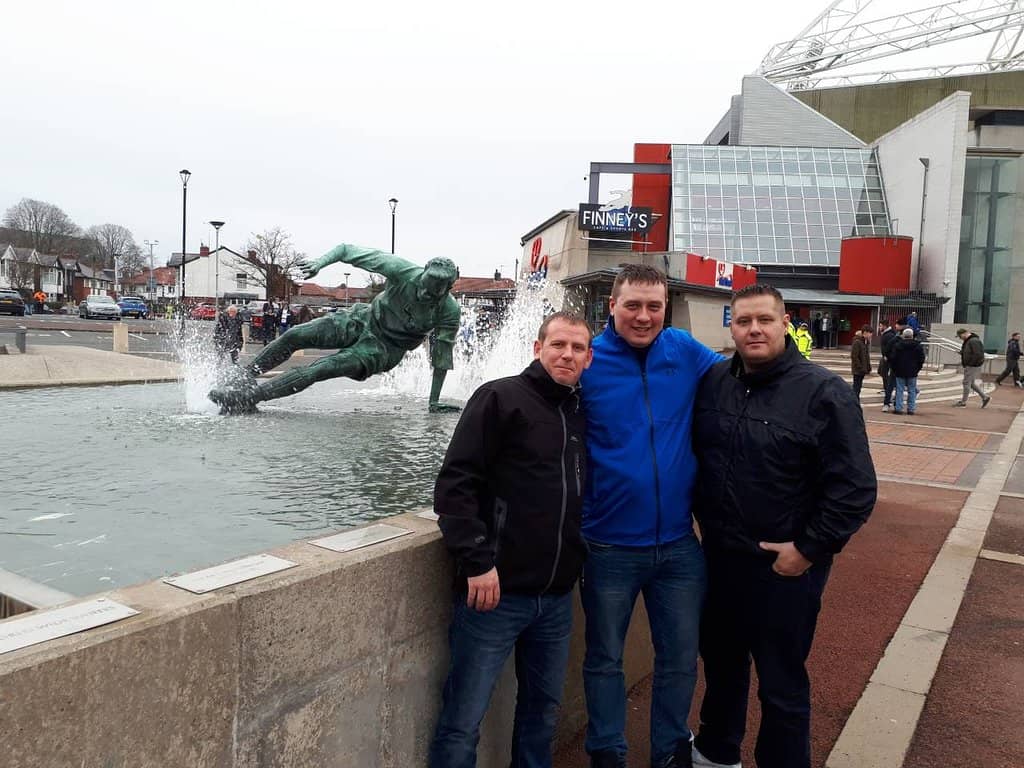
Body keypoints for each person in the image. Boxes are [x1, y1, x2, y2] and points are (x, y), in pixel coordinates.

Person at [690, 284, 876, 768]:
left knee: (781, 682)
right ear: (731, 327)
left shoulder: (823, 392)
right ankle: (716, 750)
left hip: (784, 568)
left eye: (764, 320)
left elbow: (855, 488)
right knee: (723, 667)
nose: (754, 330)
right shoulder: (714, 381)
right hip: (722, 559)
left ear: (785, 323)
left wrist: (809, 549)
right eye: (743, 321)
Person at [430, 312, 593, 768]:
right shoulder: (500, 397)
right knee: (463, 718)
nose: (567, 354)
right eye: (559, 344)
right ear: (538, 348)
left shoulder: (578, 411)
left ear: (589, 357)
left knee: (542, 714)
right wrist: (477, 562)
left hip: (556, 597)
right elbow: (455, 486)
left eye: (578, 348)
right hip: (494, 595)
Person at [579, 264, 722, 768]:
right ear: (611, 306)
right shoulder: (587, 362)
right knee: (604, 661)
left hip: (679, 546)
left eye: (654, 306)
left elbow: (740, 377)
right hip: (607, 545)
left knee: (681, 661)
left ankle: (668, 751)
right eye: (633, 305)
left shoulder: (682, 350)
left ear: (666, 308)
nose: (643, 316)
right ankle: (607, 753)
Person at [208, 244, 461, 413]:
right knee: (296, 334)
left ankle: (249, 399)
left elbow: (441, 358)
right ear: (423, 272)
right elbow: (346, 249)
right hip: (363, 319)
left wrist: (434, 401)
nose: (424, 294)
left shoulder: (449, 311)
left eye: (433, 293)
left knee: (322, 367)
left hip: (384, 349)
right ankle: (244, 378)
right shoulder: (404, 271)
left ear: (449, 288)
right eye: (423, 286)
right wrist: (320, 263)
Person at [889, 328, 925, 415]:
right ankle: (911, 409)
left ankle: (898, 408)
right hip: (912, 371)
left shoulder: (897, 346)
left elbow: (893, 359)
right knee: (912, 390)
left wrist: (895, 369)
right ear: (912, 336)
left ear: (903, 336)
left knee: (899, 390)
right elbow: (921, 359)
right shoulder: (918, 346)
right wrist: (917, 369)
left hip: (899, 371)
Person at [954, 328, 990, 408]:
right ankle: (985, 397)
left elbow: (977, 354)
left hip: (971, 365)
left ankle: (963, 402)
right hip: (972, 365)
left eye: (960, 336)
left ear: (964, 333)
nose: (960, 338)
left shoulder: (973, 341)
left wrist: (970, 364)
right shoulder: (971, 340)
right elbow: (972, 352)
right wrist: (962, 353)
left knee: (966, 383)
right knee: (971, 384)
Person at [878, 319, 903, 412]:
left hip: (895, 365)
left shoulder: (891, 337)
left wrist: (888, 357)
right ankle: (894, 404)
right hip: (894, 364)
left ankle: (891, 403)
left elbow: (887, 349)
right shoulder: (894, 338)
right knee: (894, 385)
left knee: (892, 385)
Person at [850, 324, 873, 400]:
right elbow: (854, 356)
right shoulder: (857, 342)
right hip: (858, 370)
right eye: (870, 333)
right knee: (856, 387)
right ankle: (854, 402)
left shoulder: (865, 342)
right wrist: (860, 367)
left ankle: (855, 402)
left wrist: (868, 367)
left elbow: (866, 356)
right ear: (865, 332)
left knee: (858, 387)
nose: (871, 335)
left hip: (863, 369)